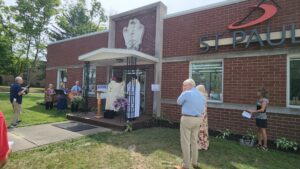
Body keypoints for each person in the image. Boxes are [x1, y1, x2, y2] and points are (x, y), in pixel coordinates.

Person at [175, 79, 206, 169]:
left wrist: (184, 92)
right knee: (194, 141)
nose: (183, 87)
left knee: (185, 142)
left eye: (184, 85)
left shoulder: (186, 93)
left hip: (187, 119)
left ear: (190, 85)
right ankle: (195, 162)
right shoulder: (202, 96)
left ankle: (186, 165)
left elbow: (178, 102)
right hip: (198, 120)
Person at [196, 85, 209, 150]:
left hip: (200, 115)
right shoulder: (205, 96)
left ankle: (199, 145)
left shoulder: (199, 96)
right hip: (204, 116)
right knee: (204, 130)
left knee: (199, 130)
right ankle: (204, 144)